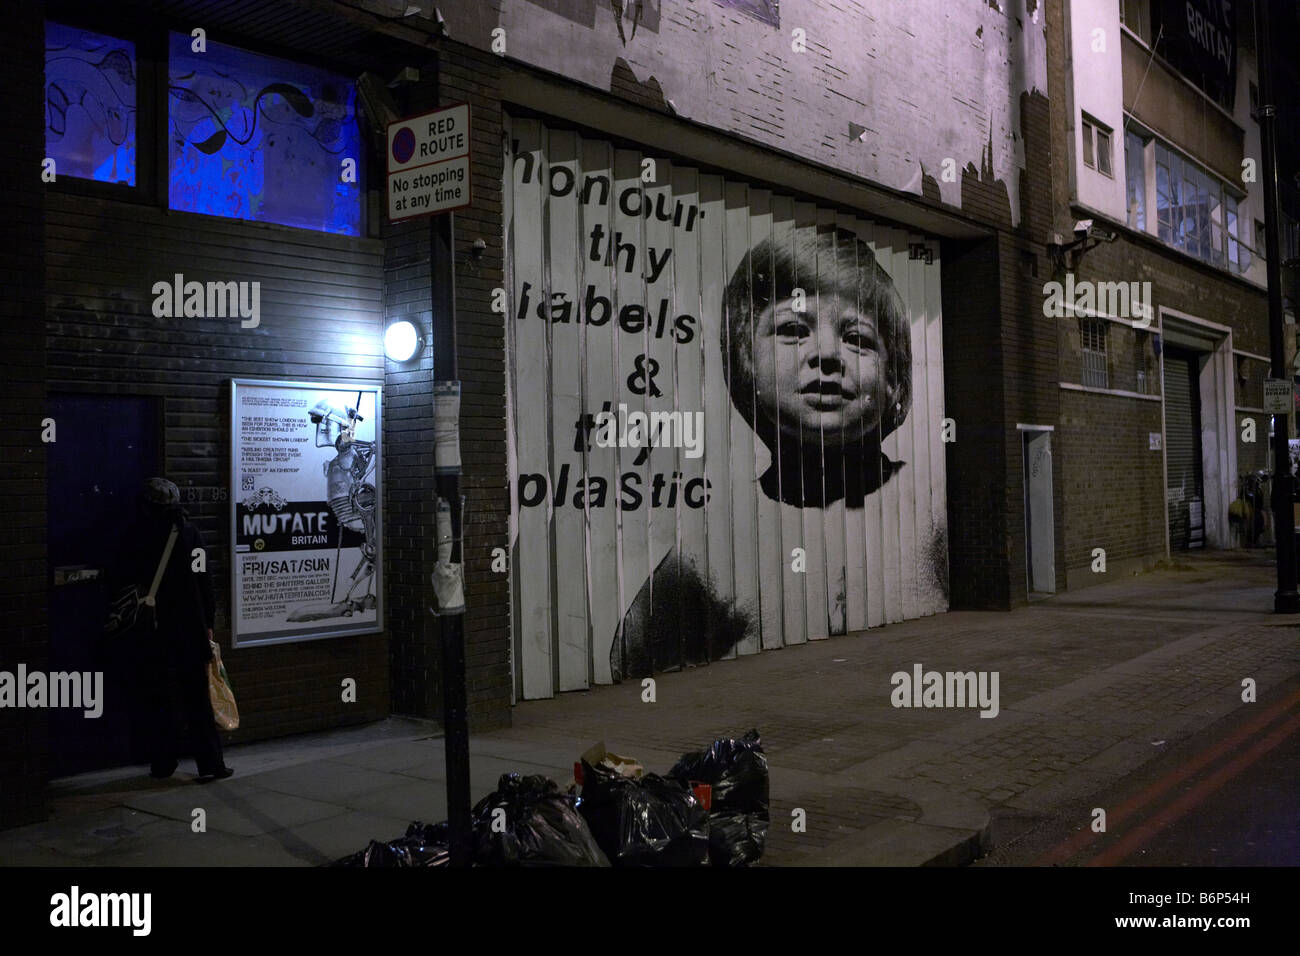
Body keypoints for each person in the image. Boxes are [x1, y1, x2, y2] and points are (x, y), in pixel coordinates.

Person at [721, 227, 912, 508]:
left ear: (892, 379)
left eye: (857, 339)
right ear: (747, 359)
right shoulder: (727, 512)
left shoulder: (926, 497)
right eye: (793, 329)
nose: (827, 354)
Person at [130, 477, 233, 782]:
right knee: (197, 698)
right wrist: (209, 623)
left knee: (159, 697)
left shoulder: (138, 535)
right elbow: (205, 582)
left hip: (154, 629)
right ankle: (210, 764)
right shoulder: (188, 534)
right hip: (189, 628)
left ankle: (162, 763)